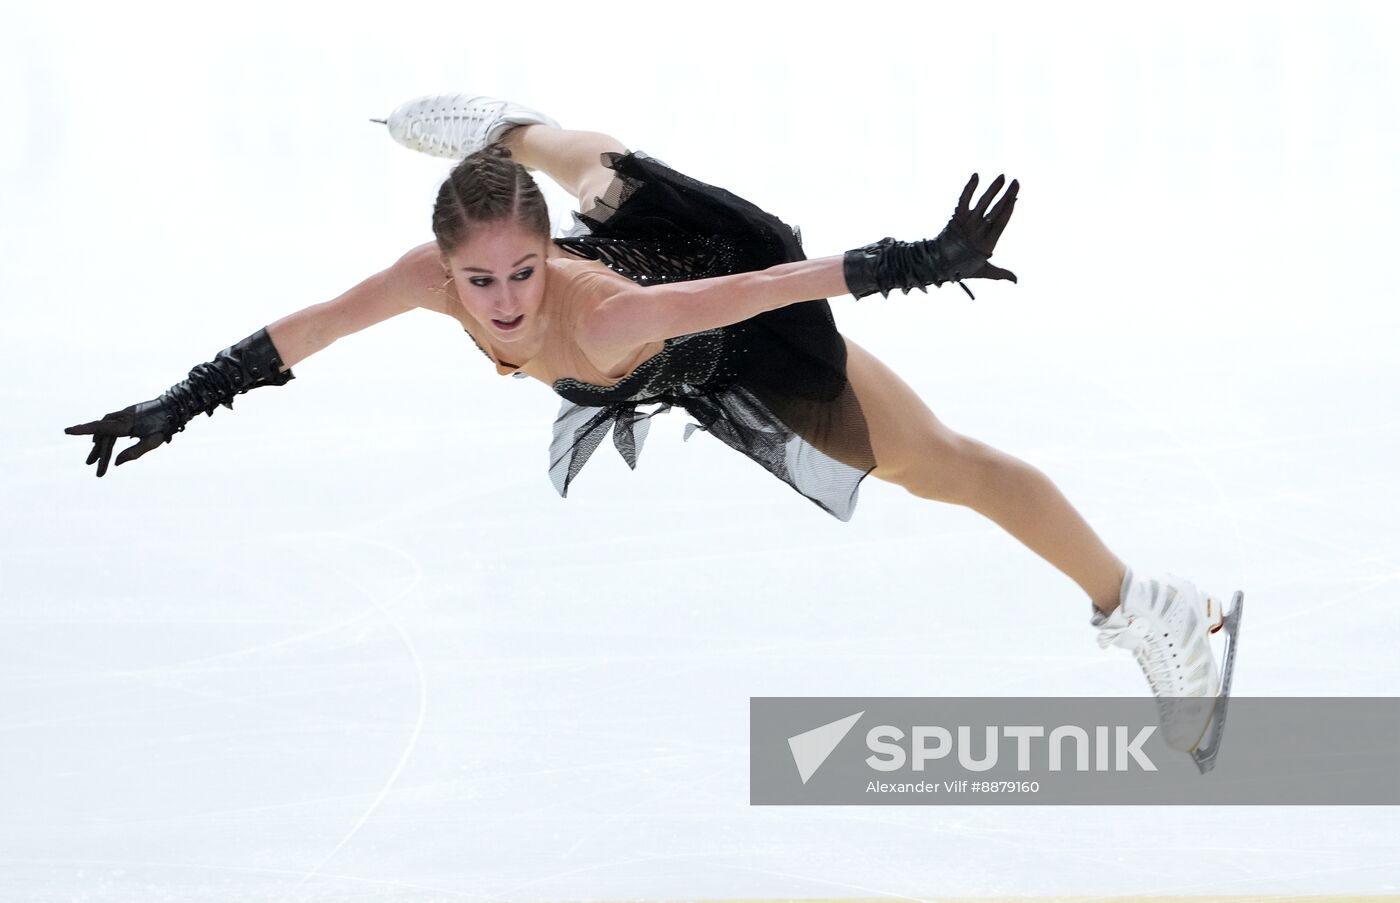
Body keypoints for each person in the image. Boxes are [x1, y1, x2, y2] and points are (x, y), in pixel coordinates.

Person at [64, 93, 1240, 768]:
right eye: (479, 283)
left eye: (522, 271)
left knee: (939, 466)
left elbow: (741, 296)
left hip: (720, 317)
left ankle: (1156, 607)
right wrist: (180, 402)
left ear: (543, 257)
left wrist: (904, 265)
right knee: (582, 162)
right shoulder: (433, 272)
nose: (504, 301)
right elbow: (309, 329)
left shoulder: (601, 315)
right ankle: (506, 124)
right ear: (445, 268)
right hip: (637, 250)